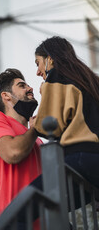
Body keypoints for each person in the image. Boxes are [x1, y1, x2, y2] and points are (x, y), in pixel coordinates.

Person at [0, 68, 43, 230]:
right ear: (6, 96)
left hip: (44, 229)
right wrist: (35, 130)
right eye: (22, 85)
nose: (30, 88)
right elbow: (13, 152)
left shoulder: (37, 140)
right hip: (8, 228)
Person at [34, 36, 99, 190]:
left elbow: (49, 125)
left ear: (49, 59)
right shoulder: (91, 80)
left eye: (38, 63)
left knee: (28, 203)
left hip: (80, 157)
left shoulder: (56, 76)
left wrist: (34, 123)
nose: (37, 72)